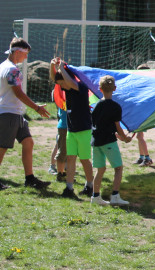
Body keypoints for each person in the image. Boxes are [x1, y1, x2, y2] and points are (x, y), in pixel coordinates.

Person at [0, 37, 51, 191]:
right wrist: (37, 108)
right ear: (17, 52)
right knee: (1, 149)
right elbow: (19, 94)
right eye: (25, 53)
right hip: (8, 114)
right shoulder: (12, 70)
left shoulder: (3, 66)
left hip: (15, 114)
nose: (26, 57)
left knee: (28, 143)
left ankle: (30, 179)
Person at [52, 57, 95, 199]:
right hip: (72, 130)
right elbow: (56, 79)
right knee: (70, 158)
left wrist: (63, 69)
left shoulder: (80, 87)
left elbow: (69, 81)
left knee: (84, 159)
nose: (61, 87)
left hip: (83, 130)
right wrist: (52, 66)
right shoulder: (67, 89)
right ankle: (69, 188)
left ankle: (90, 185)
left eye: (62, 84)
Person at [90, 75, 132, 205]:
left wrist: (118, 136)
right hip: (108, 142)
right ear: (114, 88)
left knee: (100, 169)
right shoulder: (115, 107)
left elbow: (100, 125)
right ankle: (115, 196)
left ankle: (95, 197)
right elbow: (117, 127)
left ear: (100, 88)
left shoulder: (96, 106)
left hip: (96, 142)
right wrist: (124, 138)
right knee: (118, 168)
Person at [134, 64, 153, 166]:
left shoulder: (146, 85)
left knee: (140, 136)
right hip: (140, 113)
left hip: (143, 113)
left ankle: (147, 158)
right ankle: (141, 157)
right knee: (139, 136)